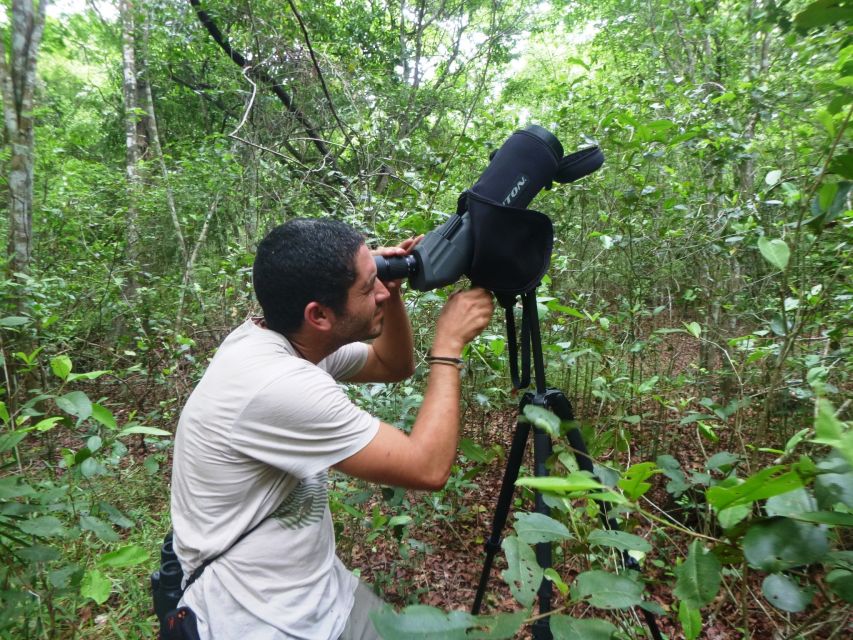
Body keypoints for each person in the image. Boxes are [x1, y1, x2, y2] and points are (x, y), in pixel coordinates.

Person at [170, 218, 494, 639]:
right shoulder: (279, 385)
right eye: (367, 287)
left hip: (320, 590)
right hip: (260, 619)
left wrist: (388, 294)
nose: (378, 291)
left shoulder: (279, 339)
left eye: (377, 276)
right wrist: (448, 347)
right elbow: (427, 467)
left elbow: (393, 365)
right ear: (319, 314)